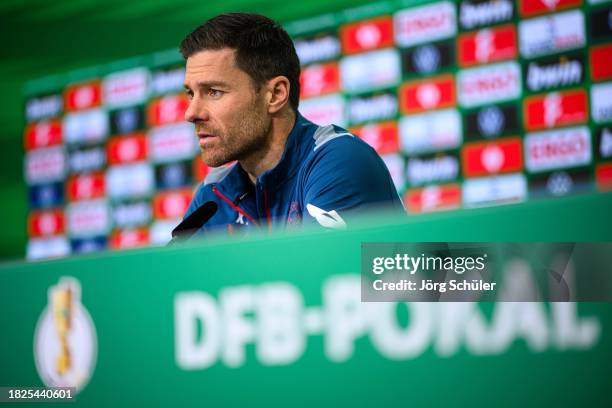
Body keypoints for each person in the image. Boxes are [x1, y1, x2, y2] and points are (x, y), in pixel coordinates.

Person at [180, 12, 403, 236]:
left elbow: (321, 269)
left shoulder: (339, 159)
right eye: (191, 93)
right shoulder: (212, 195)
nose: (191, 113)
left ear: (276, 94)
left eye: (214, 92)